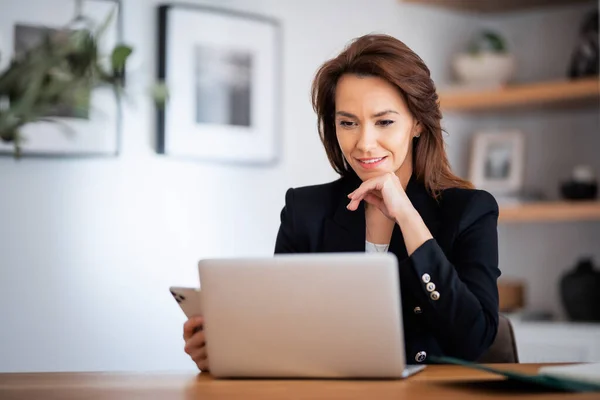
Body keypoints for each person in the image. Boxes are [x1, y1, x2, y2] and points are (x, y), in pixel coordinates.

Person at [183, 33, 501, 371]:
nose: (364, 143)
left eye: (384, 122)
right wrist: (224, 351)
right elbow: (284, 332)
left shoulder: (470, 211)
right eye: (348, 123)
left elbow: (474, 340)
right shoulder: (305, 211)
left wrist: (408, 218)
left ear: (418, 122)